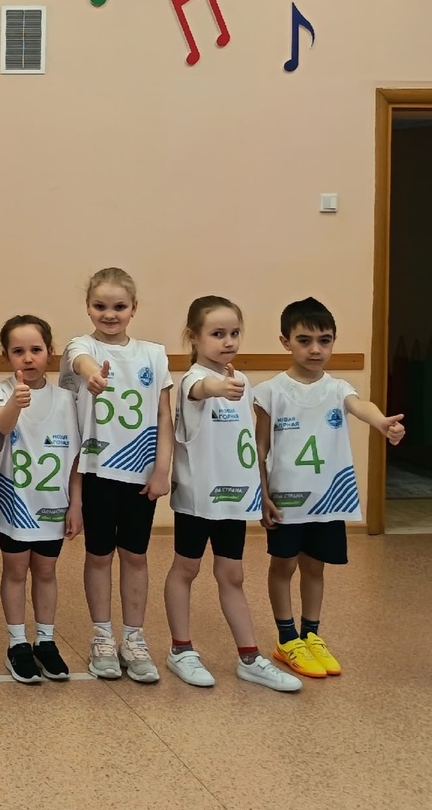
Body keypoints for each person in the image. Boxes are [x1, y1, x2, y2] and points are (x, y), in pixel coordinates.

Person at [255, 297, 405, 679]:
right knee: (284, 565)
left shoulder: (339, 388)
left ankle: (311, 634)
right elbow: (260, 448)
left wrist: (382, 423)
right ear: (285, 341)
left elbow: (362, 405)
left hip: (327, 501)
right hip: (286, 501)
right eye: (304, 340)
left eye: (325, 340)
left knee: (314, 567)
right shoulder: (270, 391)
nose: (315, 349)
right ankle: (286, 638)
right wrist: (263, 495)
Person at [165, 296, 300, 692]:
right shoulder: (194, 380)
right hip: (198, 500)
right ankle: (180, 649)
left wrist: (261, 492)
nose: (228, 341)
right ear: (193, 336)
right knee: (186, 569)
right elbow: (201, 388)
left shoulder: (241, 380)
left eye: (234, 333)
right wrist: (218, 386)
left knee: (232, 575)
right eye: (217, 333)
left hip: (234, 500)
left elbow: (248, 446)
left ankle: (249, 657)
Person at [57, 268, 173, 684]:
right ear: (88, 307)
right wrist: (93, 374)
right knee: (99, 555)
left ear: (133, 308)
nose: (110, 314)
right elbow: (81, 362)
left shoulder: (154, 355)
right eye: (100, 306)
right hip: (97, 470)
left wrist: (162, 469)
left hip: (140, 473)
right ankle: (102, 637)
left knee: (136, 556)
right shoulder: (81, 346)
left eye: (119, 306)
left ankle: (134, 638)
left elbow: (164, 416)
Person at [0, 315, 81, 684]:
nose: (28, 357)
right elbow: (1, 425)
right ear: (7, 356)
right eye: (18, 351)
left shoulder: (67, 399)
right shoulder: (0, 391)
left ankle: (45, 640)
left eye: (36, 349)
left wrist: (77, 504)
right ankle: (17, 643)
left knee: (46, 571)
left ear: (50, 352)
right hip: (15, 503)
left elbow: (76, 458)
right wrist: (16, 403)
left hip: (54, 504)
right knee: (15, 570)